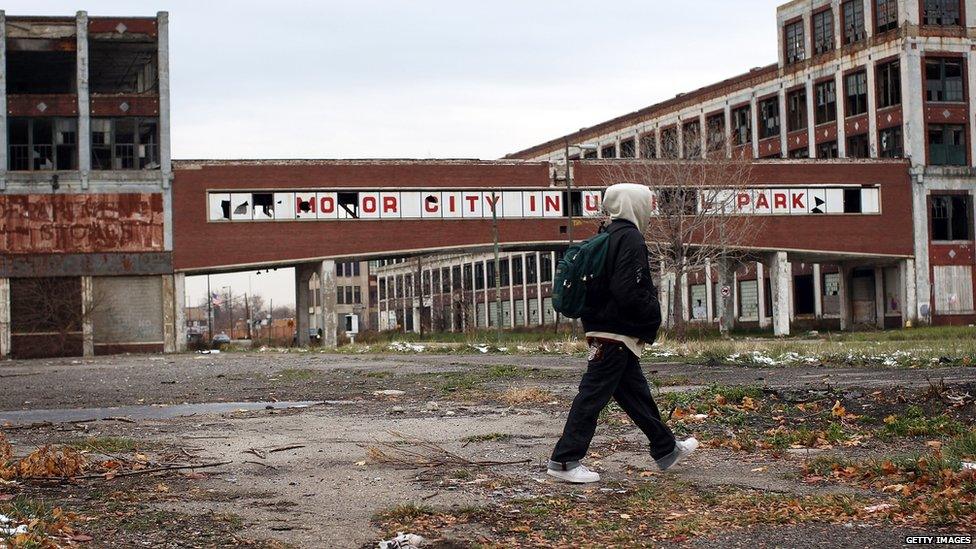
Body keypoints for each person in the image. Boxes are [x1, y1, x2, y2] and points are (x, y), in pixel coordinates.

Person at [547, 183, 698, 484]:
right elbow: (628, 290)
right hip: (614, 333)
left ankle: (666, 448)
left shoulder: (607, 235)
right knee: (592, 396)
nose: (650, 211)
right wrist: (653, 313)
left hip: (606, 330)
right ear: (635, 205)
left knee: (635, 395)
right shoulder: (629, 238)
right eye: (647, 204)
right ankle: (564, 461)